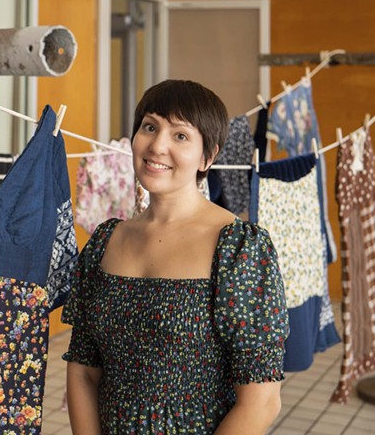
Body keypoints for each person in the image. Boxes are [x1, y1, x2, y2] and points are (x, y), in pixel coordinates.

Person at [62, 79, 289, 434]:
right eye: (149, 127)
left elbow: (262, 401)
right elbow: (83, 370)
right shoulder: (106, 241)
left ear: (207, 156)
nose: (157, 145)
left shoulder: (238, 248)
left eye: (180, 135)